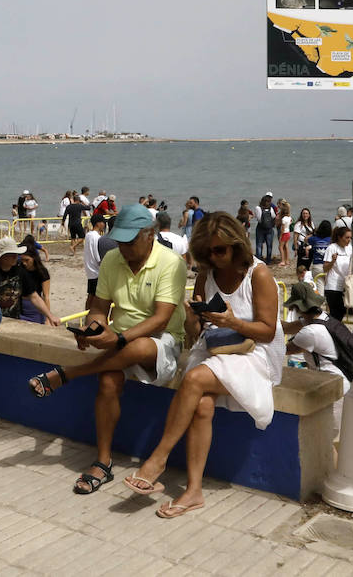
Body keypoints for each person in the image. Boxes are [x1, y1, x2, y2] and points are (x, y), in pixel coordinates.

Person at [121, 211, 281, 518]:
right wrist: (194, 317)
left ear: (236, 245)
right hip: (217, 350)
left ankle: (158, 459)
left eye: (220, 250)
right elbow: (197, 334)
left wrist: (233, 320)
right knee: (203, 406)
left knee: (193, 380)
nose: (213, 256)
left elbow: (268, 331)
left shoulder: (258, 274)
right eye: (207, 251)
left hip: (253, 354)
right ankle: (193, 492)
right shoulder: (206, 275)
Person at [26, 204, 186, 497]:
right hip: (121, 341)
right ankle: (103, 461)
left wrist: (119, 338)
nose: (123, 247)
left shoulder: (172, 262)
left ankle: (68, 374)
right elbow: (99, 307)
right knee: (108, 380)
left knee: (135, 347)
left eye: (130, 241)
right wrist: (94, 328)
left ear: (149, 235)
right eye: (120, 240)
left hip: (163, 340)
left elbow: (161, 318)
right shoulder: (112, 258)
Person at [283, 281, 351, 440]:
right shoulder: (324, 318)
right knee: (333, 440)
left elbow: (285, 350)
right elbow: (287, 327)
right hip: (342, 384)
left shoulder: (310, 332)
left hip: (333, 390)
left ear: (298, 308)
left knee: (328, 442)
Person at [81, 214, 114, 305]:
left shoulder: (88, 235)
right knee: (97, 297)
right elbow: (98, 255)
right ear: (98, 224)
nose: (104, 225)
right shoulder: (97, 237)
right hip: (96, 271)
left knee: (91, 295)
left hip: (90, 269)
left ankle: (87, 315)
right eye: (103, 223)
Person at [322, 226, 353, 322]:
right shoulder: (332, 248)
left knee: (344, 311)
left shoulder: (350, 248)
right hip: (333, 286)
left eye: (350, 238)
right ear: (340, 237)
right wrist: (332, 261)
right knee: (337, 313)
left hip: (346, 285)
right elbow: (325, 268)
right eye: (347, 237)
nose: (349, 240)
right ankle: (330, 333)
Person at [253, 193, 278, 264]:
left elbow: (259, 219)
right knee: (269, 245)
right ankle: (269, 260)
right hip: (269, 228)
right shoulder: (271, 208)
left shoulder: (258, 208)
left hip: (260, 228)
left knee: (259, 245)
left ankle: (258, 261)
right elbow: (273, 216)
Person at [277, 199, 293, 268]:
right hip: (288, 233)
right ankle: (287, 260)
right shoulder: (289, 218)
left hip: (284, 234)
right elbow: (291, 222)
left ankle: (283, 261)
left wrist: (280, 236)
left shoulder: (283, 219)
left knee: (280, 247)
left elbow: (282, 229)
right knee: (286, 246)